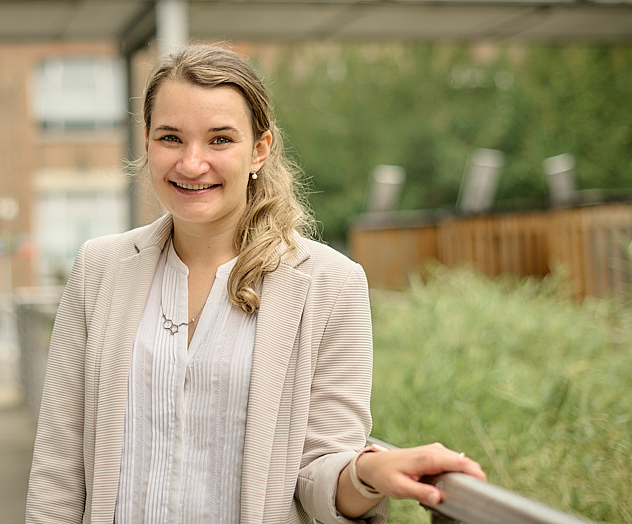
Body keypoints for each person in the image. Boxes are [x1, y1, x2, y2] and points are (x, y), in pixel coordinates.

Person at [25, 44, 485, 524]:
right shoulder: (99, 268)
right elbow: (59, 463)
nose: (191, 163)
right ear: (145, 142)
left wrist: (370, 471)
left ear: (259, 150)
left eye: (220, 139)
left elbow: (319, 473)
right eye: (170, 138)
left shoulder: (330, 284)